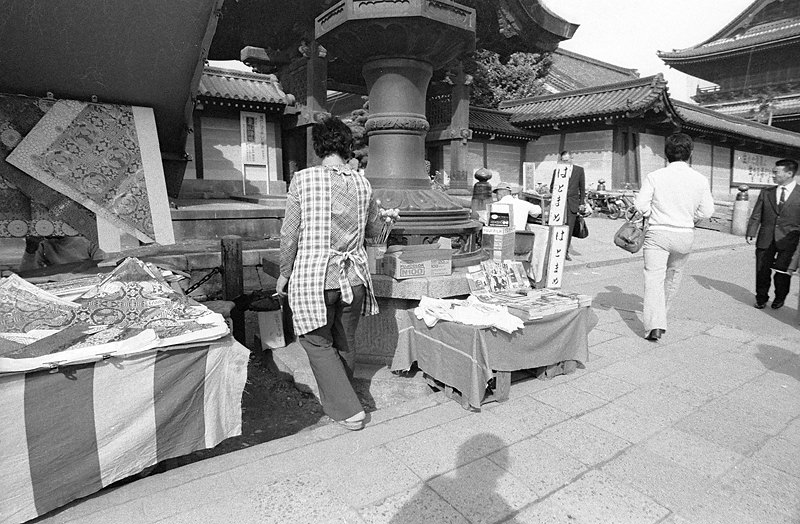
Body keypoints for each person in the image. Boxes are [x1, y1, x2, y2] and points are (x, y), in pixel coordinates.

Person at [275, 115, 398, 431]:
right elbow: (373, 233)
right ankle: (349, 397)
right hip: (354, 278)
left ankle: (348, 411)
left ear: (318, 148)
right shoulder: (363, 183)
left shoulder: (303, 180)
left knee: (315, 341)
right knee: (344, 341)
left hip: (314, 279)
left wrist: (284, 272)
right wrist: (388, 222)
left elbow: (290, 234)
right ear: (347, 147)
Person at [634, 133, 715, 341]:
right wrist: (690, 217)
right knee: (673, 277)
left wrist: (654, 214)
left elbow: (640, 205)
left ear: (666, 153)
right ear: (690, 154)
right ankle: (663, 317)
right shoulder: (700, 179)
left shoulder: (655, 176)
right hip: (684, 235)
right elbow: (707, 212)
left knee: (653, 279)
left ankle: (655, 325)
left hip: (658, 233)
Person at [746, 158, 800, 310]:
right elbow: (757, 214)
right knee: (762, 270)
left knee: (782, 273)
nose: (773, 175)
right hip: (766, 237)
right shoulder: (766, 192)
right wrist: (751, 231)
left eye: (776, 172)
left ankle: (780, 297)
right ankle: (761, 297)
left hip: (789, 240)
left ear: (789, 173)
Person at [550, 151, 586, 260]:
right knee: (557, 227)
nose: (565, 162)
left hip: (572, 203)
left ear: (571, 158)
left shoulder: (579, 170)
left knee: (569, 228)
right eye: (563, 160)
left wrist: (582, 203)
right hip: (559, 203)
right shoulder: (557, 171)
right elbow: (551, 187)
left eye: (567, 160)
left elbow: (582, 188)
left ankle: (565, 252)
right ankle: (554, 250)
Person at [18, 235, 100, 272]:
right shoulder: (42, 243)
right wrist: (30, 251)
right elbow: (26, 273)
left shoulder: (88, 240)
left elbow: (103, 267)